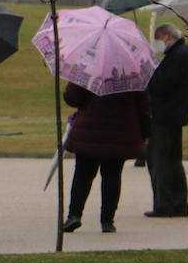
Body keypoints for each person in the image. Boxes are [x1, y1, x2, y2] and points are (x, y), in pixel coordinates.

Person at [61, 82, 150, 233]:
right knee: (112, 177)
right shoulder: (131, 76)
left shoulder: (90, 70)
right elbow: (143, 107)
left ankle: (74, 214)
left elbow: (73, 98)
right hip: (120, 130)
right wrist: (145, 132)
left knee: (82, 176)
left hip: (90, 129)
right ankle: (107, 220)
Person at [145, 23, 188, 218]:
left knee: (161, 161)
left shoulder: (176, 57)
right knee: (173, 161)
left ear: (166, 37)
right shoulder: (184, 54)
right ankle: (179, 202)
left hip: (163, 115)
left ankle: (164, 204)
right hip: (175, 115)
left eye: (158, 39)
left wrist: (151, 72)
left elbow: (161, 86)